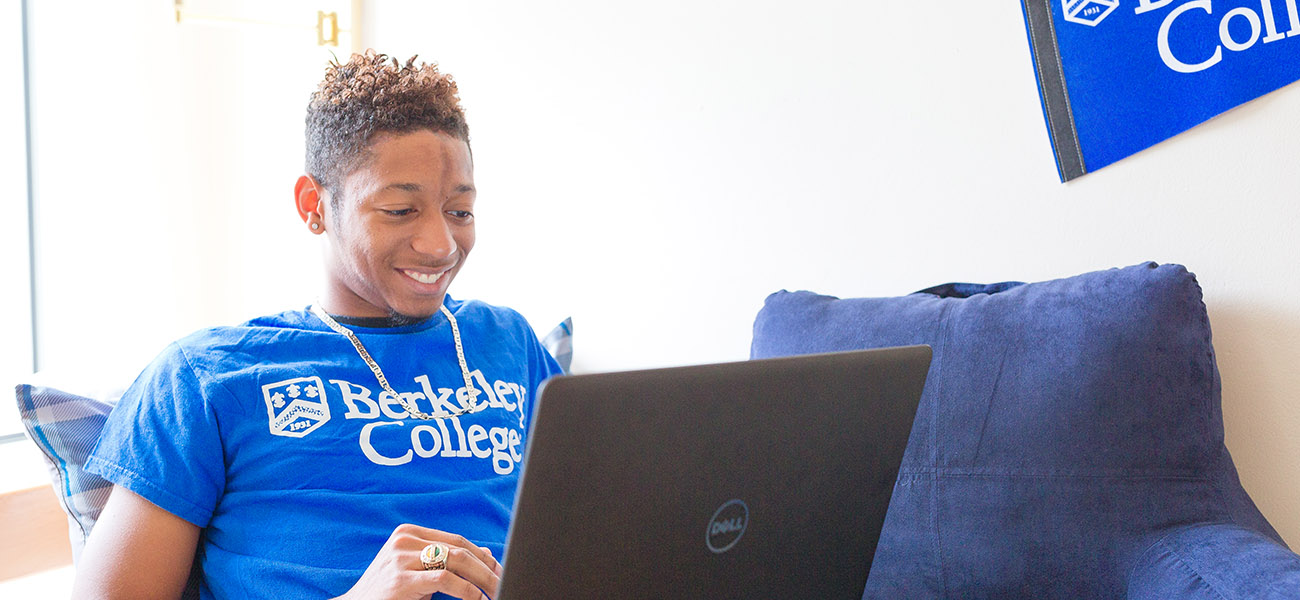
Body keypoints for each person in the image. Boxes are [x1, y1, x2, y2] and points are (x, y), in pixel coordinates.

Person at [72, 51, 563, 600]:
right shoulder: (203, 377)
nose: (441, 245)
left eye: (460, 212)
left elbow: (596, 525)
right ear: (315, 205)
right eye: (400, 210)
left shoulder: (508, 341)